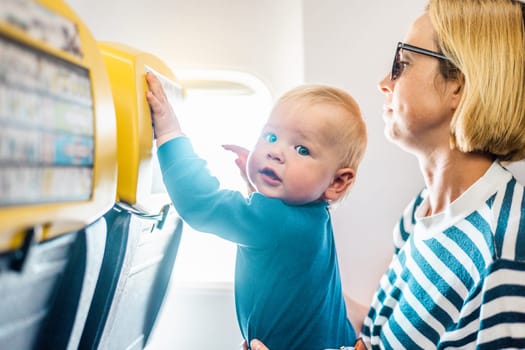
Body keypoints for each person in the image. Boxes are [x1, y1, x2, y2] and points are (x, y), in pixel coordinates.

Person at [240, 0, 525, 349]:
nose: (383, 83)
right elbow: (379, 336)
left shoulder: (506, 244)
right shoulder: (423, 209)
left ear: (458, 86)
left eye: (401, 64)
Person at [146, 72, 367, 349]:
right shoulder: (314, 214)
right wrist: (253, 186)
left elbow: (200, 202)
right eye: (271, 136)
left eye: (301, 149)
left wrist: (168, 132)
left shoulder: (276, 221)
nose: (275, 152)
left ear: (336, 182)